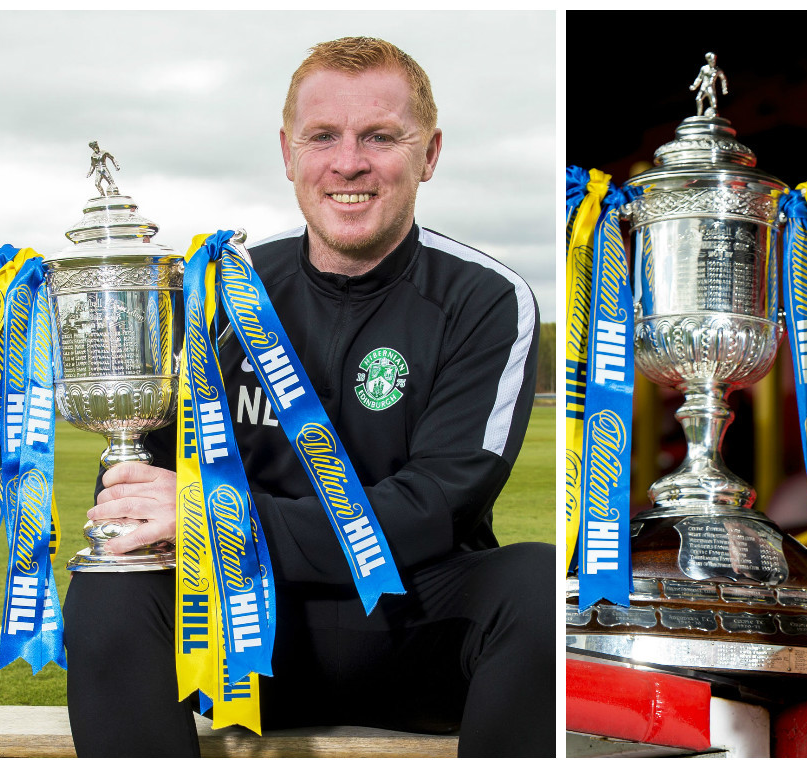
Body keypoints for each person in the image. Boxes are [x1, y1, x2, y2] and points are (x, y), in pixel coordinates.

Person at [62, 37, 551, 756]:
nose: (347, 162)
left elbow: (432, 509)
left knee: (536, 583)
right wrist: (138, 495)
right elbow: (140, 486)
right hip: (241, 645)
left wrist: (211, 518)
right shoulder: (215, 292)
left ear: (431, 153)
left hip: (416, 634)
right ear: (288, 153)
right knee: (110, 584)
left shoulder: (485, 298)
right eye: (322, 136)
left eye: (380, 136)